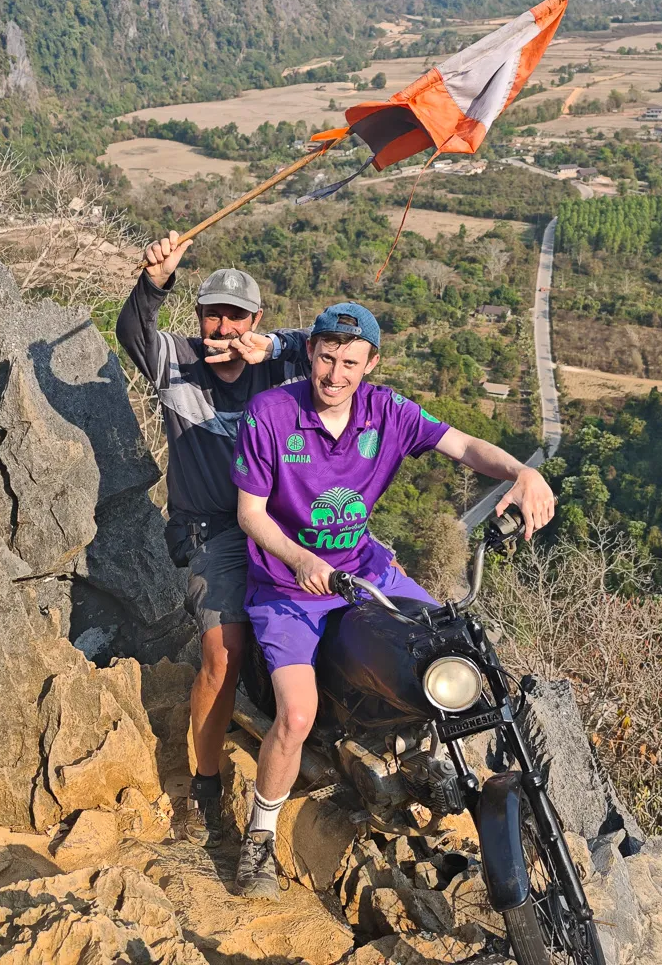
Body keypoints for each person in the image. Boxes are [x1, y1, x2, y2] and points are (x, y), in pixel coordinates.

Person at [228, 302, 556, 898]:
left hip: (367, 571)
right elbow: (251, 514)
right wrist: (301, 560)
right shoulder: (270, 414)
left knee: (455, 648)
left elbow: (465, 446)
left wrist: (521, 473)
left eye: (350, 362)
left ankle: (444, 765)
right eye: (326, 357)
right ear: (310, 353)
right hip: (287, 587)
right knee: (296, 715)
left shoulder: (388, 412)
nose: (335, 374)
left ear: (370, 364)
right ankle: (259, 833)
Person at [117, 230, 309, 847]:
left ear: (256, 321)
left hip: (280, 522)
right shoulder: (176, 360)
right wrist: (154, 281)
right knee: (224, 652)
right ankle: (205, 787)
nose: (222, 327)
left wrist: (274, 346)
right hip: (213, 528)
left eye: (236, 316)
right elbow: (131, 330)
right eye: (211, 314)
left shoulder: (279, 367)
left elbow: (337, 347)